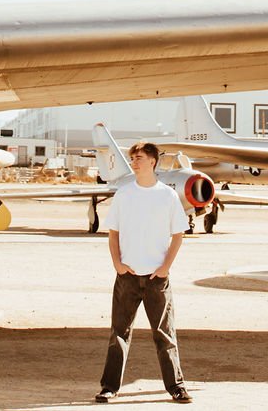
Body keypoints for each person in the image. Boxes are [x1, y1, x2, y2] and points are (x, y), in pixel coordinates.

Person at [96, 141, 192, 404]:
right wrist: (117, 264)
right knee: (118, 334)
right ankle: (109, 387)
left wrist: (165, 268)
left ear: (152, 161)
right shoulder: (124, 194)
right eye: (133, 158)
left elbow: (178, 235)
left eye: (139, 158)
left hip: (156, 280)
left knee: (164, 335)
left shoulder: (167, 196)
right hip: (127, 277)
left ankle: (176, 387)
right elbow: (113, 233)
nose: (134, 162)